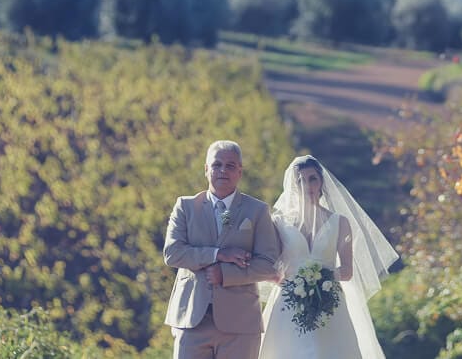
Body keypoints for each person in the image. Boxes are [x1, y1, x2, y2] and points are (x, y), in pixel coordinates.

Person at [258, 155, 399, 359]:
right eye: (300, 180)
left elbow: (347, 271)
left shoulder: (340, 223)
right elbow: (271, 267)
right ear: (293, 185)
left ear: (321, 181)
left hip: (329, 303)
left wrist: (321, 279)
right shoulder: (278, 223)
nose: (307, 185)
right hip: (289, 304)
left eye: (312, 178)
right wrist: (295, 282)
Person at [164, 140, 282, 359]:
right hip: (192, 319)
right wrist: (217, 255)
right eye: (217, 164)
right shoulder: (185, 206)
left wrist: (225, 275)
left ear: (240, 171)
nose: (222, 170)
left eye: (230, 165)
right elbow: (172, 253)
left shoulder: (257, 211)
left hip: (240, 324)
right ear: (206, 169)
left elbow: (268, 265)